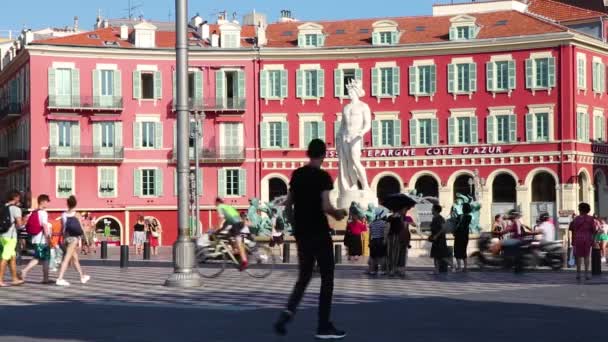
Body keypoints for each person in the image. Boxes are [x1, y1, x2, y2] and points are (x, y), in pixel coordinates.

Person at [274, 139, 348, 340]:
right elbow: (325, 206)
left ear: (308, 153)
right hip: (319, 232)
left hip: (303, 234)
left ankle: (287, 313)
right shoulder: (323, 177)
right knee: (327, 277)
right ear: (324, 155)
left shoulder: (297, 175)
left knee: (304, 277)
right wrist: (338, 213)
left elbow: (288, 206)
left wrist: (295, 228)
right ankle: (323, 325)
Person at [55, 196, 90, 287]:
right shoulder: (77, 214)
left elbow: (63, 228)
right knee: (66, 259)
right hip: (74, 239)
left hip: (66, 238)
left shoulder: (63, 214)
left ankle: (82, 276)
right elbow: (81, 228)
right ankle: (60, 278)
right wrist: (85, 238)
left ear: (67, 204)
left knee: (75, 259)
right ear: (75, 204)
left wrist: (60, 238)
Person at [20, 194, 52, 284]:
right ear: (42, 202)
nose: (47, 204)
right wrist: (48, 239)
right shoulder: (43, 213)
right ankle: (26, 271)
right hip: (42, 240)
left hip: (35, 239)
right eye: (47, 202)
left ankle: (45, 278)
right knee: (42, 259)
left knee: (41, 258)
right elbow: (45, 226)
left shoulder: (34, 212)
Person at [0, 190, 25, 287]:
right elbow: (19, 225)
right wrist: (25, 221)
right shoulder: (15, 209)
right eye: (19, 197)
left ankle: (15, 279)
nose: (20, 199)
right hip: (10, 237)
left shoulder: (3, 207)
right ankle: (0, 280)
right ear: (15, 198)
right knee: (4, 258)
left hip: (2, 235)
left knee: (12, 257)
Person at [215, 198, 248, 270]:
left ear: (218, 202)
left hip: (236, 224)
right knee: (228, 234)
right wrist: (220, 230)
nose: (215, 205)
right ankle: (235, 249)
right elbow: (227, 222)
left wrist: (217, 229)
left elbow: (221, 219)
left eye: (215, 203)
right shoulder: (227, 207)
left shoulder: (220, 207)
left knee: (239, 243)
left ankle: (244, 261)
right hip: (238, 223)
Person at [569, 202, 599, 281]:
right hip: (587, 239)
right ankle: (586, 274)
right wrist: (594, 238)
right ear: (588, 210)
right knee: (586, 256)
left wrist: (573, 241)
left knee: (578, 257)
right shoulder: (590, 219)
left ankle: (578, 274)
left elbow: (572, 229)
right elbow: (594, 230)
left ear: (580, 210)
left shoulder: (576, 219)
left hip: (578, 239)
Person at [386, 204, 413, 278]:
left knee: (401, 254)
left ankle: (400, 269)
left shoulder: (406, 218)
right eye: (404, 209)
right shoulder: (392, 217)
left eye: (406, 210)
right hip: (395, 237)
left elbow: (414, 225)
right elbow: (388, 228)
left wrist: (408, 222)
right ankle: (393, 269)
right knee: (394, 254)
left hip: (401, 237)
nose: (405, 211)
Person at [367, 207, 388, 276]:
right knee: (382, 256)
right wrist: (385, 240)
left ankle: (373, 270)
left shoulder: (372, 223)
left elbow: (370, 234)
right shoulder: (383, 223)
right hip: (381, 240)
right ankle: (382, 270)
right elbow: (385, 233)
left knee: (373, 257)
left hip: (373, 241)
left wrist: (369, 242)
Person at [429, 204, 448, 275]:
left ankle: (453, 265)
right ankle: (436, 270)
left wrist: (436, 235)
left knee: (440, 255)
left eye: (432, 209)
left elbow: (443, 228)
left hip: (440, 239)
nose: (431, 210)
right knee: (436, 255)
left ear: (436, 210)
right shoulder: (435, 218)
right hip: (436, 239)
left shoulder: (440, 218)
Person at [453, 203, 472, 272]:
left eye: (463, 207)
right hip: (465, 235)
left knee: (457, 250)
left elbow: (457, 224)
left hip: (459, 235)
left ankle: (459, 267)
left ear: (463, 209)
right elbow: (465, 224)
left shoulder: (460, 216)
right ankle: (465, 267)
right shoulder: (469, 216)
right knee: (463, 250)